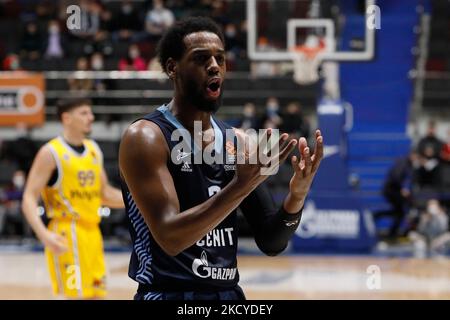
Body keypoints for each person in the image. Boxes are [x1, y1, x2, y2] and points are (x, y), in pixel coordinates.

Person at [119, 17, 323, 301]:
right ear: (172, 67)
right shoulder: (145, 137)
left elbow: (272, 242)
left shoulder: (239, 141)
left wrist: (296, 197)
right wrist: (241, 186)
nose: (214, 66)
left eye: (220, 58)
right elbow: (170, 238)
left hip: (228, 295)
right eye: (201, 58)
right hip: (168, 294)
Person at [21, 99, 124, 299]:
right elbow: (28, 197)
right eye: (84, 113)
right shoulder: (50, 153)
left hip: (93, 233)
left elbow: (105, 194)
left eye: (91, 113)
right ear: (66, 118)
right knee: (72, 296)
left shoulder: (94, 149)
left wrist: (140, 200)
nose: (91, 118)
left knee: (97, 295)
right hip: (67, 233)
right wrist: (43, 235)